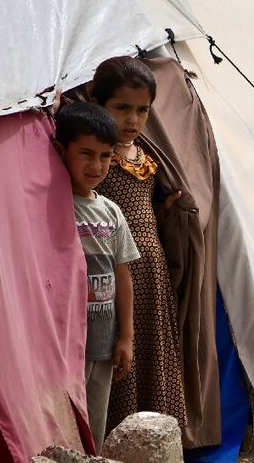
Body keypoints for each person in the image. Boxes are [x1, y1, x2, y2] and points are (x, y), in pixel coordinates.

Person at [89, 56, 188, 432]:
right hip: (113, 275)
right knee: (118, 358)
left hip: (152, 272)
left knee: (152, 356)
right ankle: (118, 441)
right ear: (100, 104)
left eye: (142, 110)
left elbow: (142, 213)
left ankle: (156, 442)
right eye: (122, 108)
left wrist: (164, 214)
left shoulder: (147, 156)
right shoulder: (95, 158)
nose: (132, 120)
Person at [54, 102, 140, 453]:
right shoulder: (53, 205)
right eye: (86, 153)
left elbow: (123, 277)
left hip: (102, 343)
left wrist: (127, 338)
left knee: (94, 424)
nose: (96, 166)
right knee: (61, 425)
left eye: (105, 156)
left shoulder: (111, 212)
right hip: (62, 344)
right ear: (62, 150)